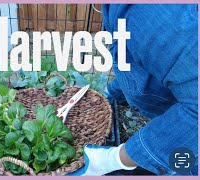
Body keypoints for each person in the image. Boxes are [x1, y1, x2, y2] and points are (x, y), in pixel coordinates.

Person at [69, 4, 198, 176]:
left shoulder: (148, 11)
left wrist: (113, 159)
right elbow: (140, 67)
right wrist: (109, 92)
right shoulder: (120, 11)